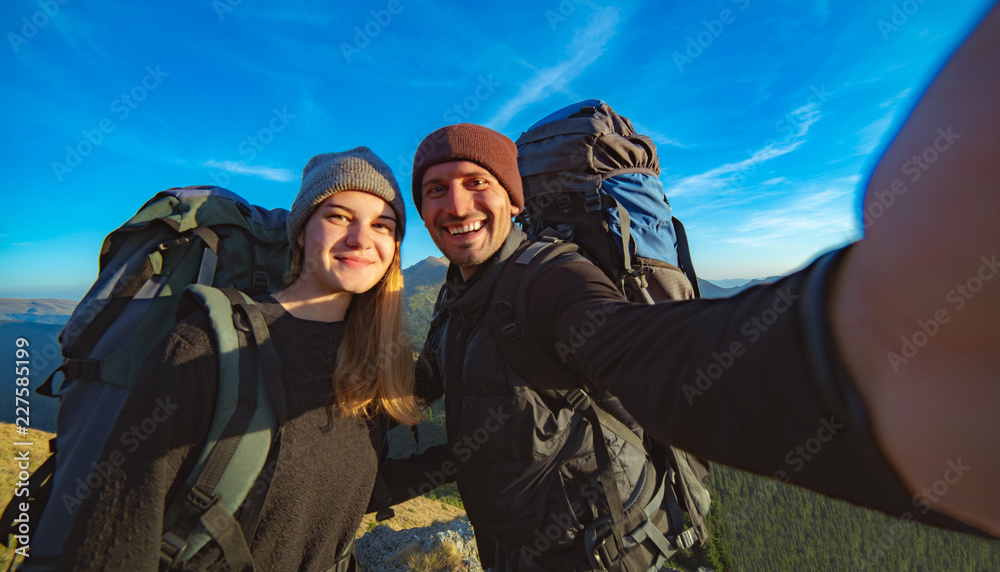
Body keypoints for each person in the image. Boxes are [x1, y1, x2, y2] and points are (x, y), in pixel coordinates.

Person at [405, 4, 1000, 569]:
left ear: (512, 201)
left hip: (596, 553)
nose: (456, 204)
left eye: (474, 181)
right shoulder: (458, 295)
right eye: (435, 189)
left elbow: (647, 351)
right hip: (508, 550)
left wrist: (856, 343)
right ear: (423, 211)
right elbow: (431, 389)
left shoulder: (549, 278)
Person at [53, 147, 423, 570]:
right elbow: (113, 544)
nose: (360, 238)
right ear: (301, 231)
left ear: (394, 247)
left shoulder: (375, 364)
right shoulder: (207, 346)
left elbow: (333, 496)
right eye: (338, 216)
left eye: (382, 224)